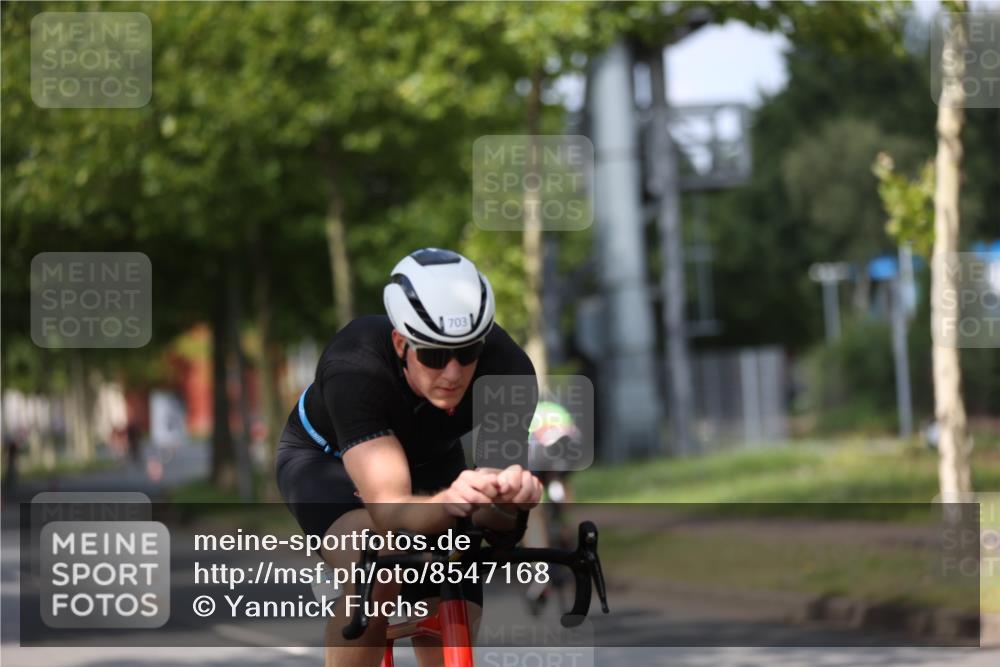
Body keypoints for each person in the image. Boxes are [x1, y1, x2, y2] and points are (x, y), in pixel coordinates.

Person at [275, 248, 543, 667]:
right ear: (401, 342)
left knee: (454, 590)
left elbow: (498, 531)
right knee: (380, 567)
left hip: (433, 464)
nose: (452, 373)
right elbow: (393, 513)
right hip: (325, 463)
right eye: (434, 355)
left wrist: (509, 502)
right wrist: (452, 502)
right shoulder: (355, 365)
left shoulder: (508, 372)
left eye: (467, 352)